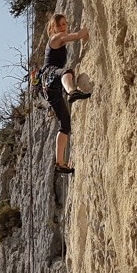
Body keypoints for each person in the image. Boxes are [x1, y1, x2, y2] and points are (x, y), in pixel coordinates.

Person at [40, 13, 90, 174]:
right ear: (53, 27)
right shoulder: (56, 37)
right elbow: (79, 35)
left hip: (48, 86)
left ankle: (60, 163)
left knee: (65, 124)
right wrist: (90, 25)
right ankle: (72, 92)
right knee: (66, 72)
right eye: (60, 24)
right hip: (50, 75)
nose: (63, 27)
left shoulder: (57, 38)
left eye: (64, 24)